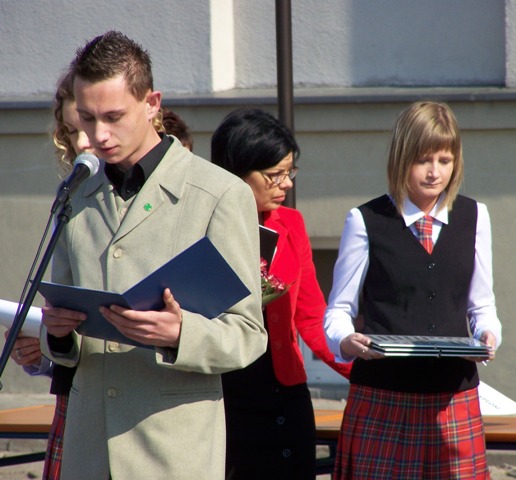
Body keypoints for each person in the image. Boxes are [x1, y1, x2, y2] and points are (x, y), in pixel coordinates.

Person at [39, 30, 266, 480]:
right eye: (86, 118)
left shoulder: (220, 194)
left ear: (152, 103)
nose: (98, 135)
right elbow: (60, 322)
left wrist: (180, 334)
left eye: (113, 116)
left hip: (171, 452)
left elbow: (248, 334)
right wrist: (59, 335)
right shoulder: (76, 193)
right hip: (89, 449)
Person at [324, 101, 502, 479]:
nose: (435, 172)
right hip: (383, 396)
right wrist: (346, 341)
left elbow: (481, 306)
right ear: (401, 158)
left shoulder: (475, 216)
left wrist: (489, 334)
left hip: (453, 395)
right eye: (423, 160)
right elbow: (338, 310)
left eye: (445, 160)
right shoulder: (364, 220)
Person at [211, 107, 352, 480]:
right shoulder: (202, 224)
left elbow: (311, 316)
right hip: (223, 392)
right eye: (275, 175)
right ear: (237, 171)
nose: (286, 184)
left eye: (290, 172)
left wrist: (360, 369)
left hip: (285, 392)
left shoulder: (291, 223)